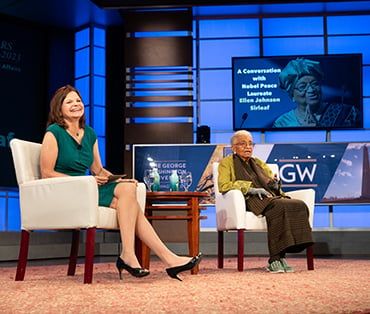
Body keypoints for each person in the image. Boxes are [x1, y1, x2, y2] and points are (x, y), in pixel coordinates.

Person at [40, 85, 202, 281]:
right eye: (69, 102)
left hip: (89, 187)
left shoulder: (89, 133)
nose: (76, 104)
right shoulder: (53, 132)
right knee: (130, 202)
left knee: (128, 193)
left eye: (78, 101)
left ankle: (150, 257)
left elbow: (98, 170)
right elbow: (47, 173)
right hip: (68, 190)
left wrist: (119, 179)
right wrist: (86, 180)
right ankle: (155, 258)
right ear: (59, 109)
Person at [217, 130, 314, 273]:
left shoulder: (258, 163)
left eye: (250, 143)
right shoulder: (227, 163)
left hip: (270, 198)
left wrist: (275, 186)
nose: (248, 147)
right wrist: (251, 190)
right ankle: (275, 258)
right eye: (243, 144)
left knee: (298, 204)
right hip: (249, 200)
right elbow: (223, 185)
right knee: (279, 206)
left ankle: (281, 257)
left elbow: (271, 181)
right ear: (233, 148)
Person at [273, 57, 361, 128]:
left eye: (315, 84)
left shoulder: (347, 113)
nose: (311, 90)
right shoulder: (282, 123)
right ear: (292, 96)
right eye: (302, 87)